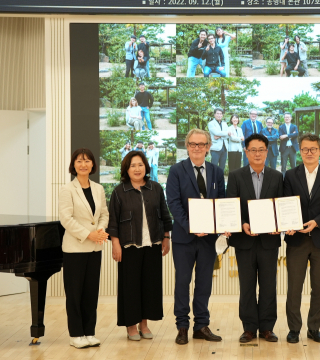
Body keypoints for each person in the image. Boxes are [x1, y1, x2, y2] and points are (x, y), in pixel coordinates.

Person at [166, 129, 226, 345]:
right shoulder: (176, 171)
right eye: (193, 144)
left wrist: (223, 225)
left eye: (202, 144)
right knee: (182, 282)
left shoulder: (217, 172)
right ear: (187, 146)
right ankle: (182, 326)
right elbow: (173, 203)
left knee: (204, 283)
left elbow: (221, 202)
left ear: (208, 147)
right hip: (184, 238)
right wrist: (191, 226)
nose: (198, 148)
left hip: (208, 239)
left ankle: (201, 325)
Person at [107, 151, 172, 341]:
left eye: (140, 165)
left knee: (149, 286)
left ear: (146, 167)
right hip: (128, 247)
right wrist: (115, 244)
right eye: (133, 165)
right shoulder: (119, 191)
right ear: (126, 169)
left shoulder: (156, 188)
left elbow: (165, 215)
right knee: (130, 287)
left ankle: (144, 324)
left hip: (152, 245)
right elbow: (113, 221)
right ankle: (131, 326)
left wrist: (166, 237)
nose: (137, 169)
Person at [226, 133, 284, 343]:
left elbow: (281, 206)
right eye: (253, 150)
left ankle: (267, 327)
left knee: (269, 285)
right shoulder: (235, 176)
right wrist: (241, 223)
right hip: (245, 240)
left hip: (269, 241)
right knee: (247, 285)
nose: (257, 153)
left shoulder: (277, 177)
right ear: (246, 152)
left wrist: (280, 224)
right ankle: (249, 328)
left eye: (261, 150)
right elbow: (231, 206)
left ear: (267, 152)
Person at [283, 134, 320, 344]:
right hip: (297, 240)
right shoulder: (290, 175)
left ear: (319, 151)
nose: (309, 152)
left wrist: (316, 222)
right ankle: (294, 329)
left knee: (319, 288)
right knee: (294, 288)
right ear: (299, 150)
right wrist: (290, 224)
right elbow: (286, 203)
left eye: (313, 149)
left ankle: (314, 328)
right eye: (305, 149)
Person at [59, 148, 110, 349]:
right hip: (75, 249)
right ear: (73, 165)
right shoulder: (67, 189)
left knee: (91, 292)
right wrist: (89, 234)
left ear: (92, 165)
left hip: (95, 249)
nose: (83, 164)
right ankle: (76, 334)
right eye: (79, 161)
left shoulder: (98, 189)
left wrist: (100, 229)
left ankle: (89, 332)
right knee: (75, 293)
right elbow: (66, 219)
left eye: (87, 161)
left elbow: (104, 214)